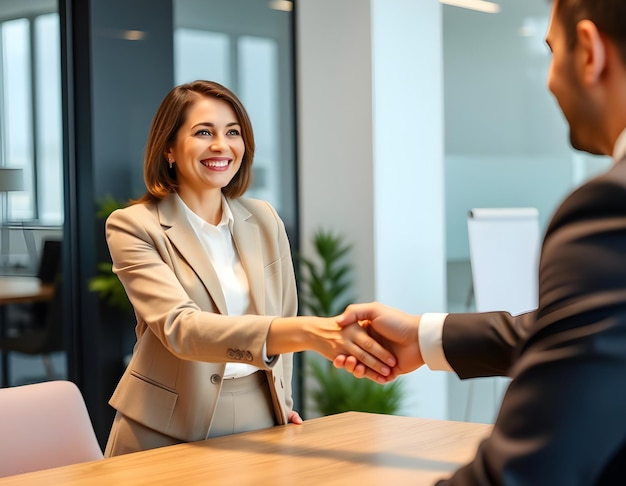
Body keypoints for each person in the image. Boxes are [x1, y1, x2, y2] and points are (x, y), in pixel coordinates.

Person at [335, 0, 626, 484]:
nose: (550, 81)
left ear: (590, 52)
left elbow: (528, 468)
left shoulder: (609, 208)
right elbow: (596, 332)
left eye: (553, 50)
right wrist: (427, 336)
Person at [103, 80, 395, 456]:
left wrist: (281, 403)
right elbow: (182, 329)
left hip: (260, 415)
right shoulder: (133, 225)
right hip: (166, 426)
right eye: (203, 132)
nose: (221, 146)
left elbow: (284, 309)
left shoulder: (263, 218)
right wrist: (311, 332)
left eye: (233, 132)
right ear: (169, 149)